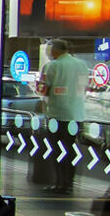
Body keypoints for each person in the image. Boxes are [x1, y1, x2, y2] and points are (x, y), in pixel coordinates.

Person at [36, 38, 87, 194]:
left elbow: (42, 90)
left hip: (57, 115)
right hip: (77, 115)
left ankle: (59, 183)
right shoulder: (82, 65)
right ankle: (69, 183)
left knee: (58, 150)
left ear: (54, 50)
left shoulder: (52, 66)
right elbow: (84, 88)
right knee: (71, 150)